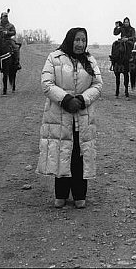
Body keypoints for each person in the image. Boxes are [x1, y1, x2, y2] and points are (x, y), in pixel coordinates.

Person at [36, 27, 103, 209]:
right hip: (60, 115)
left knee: (79, 154)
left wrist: (82, 99)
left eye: (83, 40)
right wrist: (65, 99)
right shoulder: (54, 58)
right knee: (62, 151)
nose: (80, 44)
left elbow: (98, 84)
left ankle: (80, 195)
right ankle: (61, 195)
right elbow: (46, 83)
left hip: (82, 116)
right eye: (77, 40)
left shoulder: (90, 60)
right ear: (69, 39)